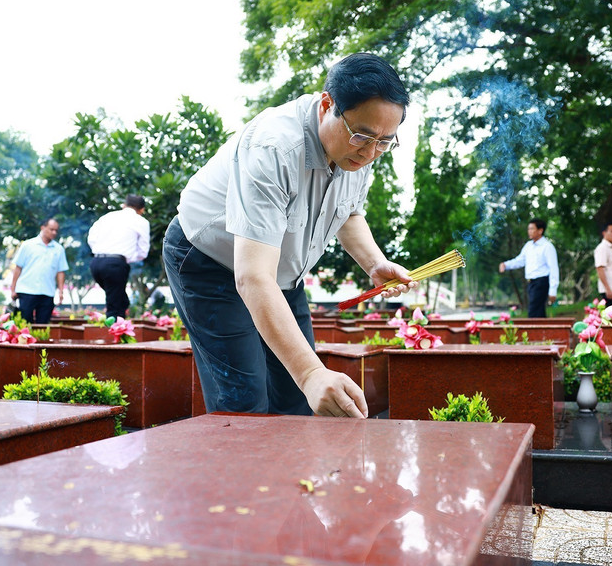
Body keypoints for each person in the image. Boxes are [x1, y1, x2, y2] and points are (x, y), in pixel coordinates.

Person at [163, 52, 415, 419]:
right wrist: (311, 374)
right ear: (327, 105)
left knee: (298, 399)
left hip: (280, 271)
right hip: (208, 260)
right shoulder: (274, 147)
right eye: (362, 136)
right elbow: (252, 276)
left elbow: (348, 213)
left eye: (384, 141)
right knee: (245, 402)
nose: (370, 152)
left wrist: (375, 263)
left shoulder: (359, 151)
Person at [87, 195, 151, 319]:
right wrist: (127, 257)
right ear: (142, 209)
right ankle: (115, 328)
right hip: (115, 265)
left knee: (120, 300)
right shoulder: (141, 221)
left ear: (124, 205)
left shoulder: (107, 217)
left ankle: (118, 324)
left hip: (96, 263)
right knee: (115, 305)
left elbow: (91, 239)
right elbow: (143, 251)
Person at [10, 218, 68, 324]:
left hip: (47, 292)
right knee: (25, 324)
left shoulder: (59, 249)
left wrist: (61, 292)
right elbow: (18, 268)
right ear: (43, 228)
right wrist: (13, 289)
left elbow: (61, 271)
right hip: (27, 291)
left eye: (56, 230)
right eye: (51, 229)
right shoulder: (28, 245)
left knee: (43, 325)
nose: (54, 233)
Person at [499, 218, 559, 317]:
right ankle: (541, 327)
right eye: (528, 229)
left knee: (533, 312)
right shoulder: (528, 246)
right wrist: (506, 265)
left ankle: (532, 327)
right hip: (531, 283)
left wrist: (553, 290)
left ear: (540, 230)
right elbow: (520, 260)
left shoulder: (547, 247)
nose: (529, 231)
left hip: (541, 282)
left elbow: (553, 268)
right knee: (538, 312)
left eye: (532, 229)